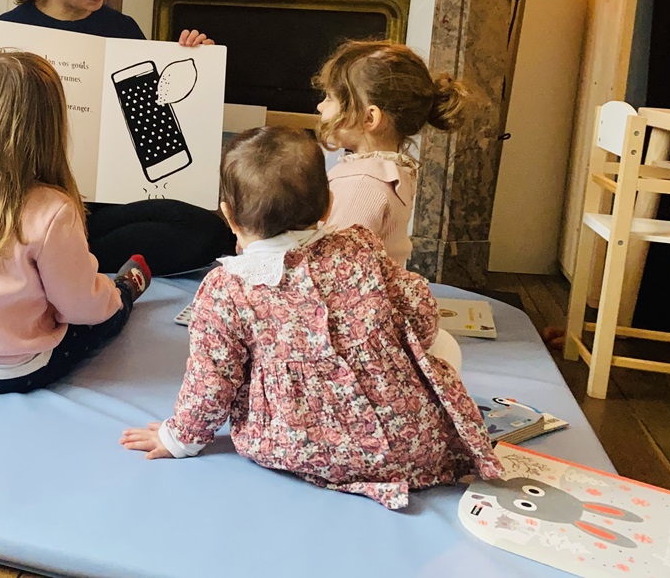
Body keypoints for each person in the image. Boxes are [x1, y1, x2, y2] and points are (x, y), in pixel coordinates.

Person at [119, 127, 501, 510]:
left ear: (228, 216)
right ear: (328, 206)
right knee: (442, 344)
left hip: (294, 442)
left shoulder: (226, 290)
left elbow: (211, 382)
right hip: (407, 441)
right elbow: (419, 312)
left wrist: (178, 438)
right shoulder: (358, 245)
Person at [0, 0, 235, 275]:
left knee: (211, 231)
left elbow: (154, 120)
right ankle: (55, 254)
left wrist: (191, 61)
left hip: (103, 203)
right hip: (31, 197)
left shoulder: (122, 29)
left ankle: (59, 258)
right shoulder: (9, 33)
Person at [0, 50, 151, 394]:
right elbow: (79, 306)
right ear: (49, 128)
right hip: (15, 369)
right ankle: (126, 291)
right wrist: (110, 297)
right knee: (106, 315)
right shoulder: (53, 211)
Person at [314, 39, 470, 268]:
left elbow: (332, 267)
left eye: (330, 97)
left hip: (355, 301)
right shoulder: (388, 170)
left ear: (369, 118)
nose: (320, 106)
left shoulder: (359, 185)